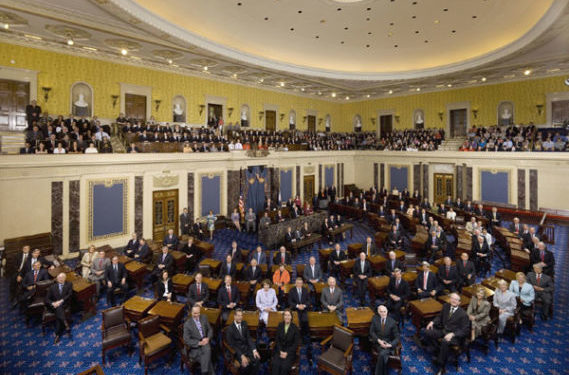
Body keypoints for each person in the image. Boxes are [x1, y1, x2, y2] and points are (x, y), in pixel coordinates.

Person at [424, 293, 469, 375]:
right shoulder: (446, 306)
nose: (453, 300)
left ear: (459, 302)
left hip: (454, 336)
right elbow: (439, 317)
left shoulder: (463, 314)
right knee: (426, 331)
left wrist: (453, 334)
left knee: (445, 341)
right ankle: (437, 350)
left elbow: (465, 330)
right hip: (443, 330)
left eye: (456, 299)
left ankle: (441, 367)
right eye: (452, 298)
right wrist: (432, 322)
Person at [225, 309, 261, 375]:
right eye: (238, 316)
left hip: (247, 349)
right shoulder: (230, 329)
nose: (240, 317)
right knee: (245, 366)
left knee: (257, 359)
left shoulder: (244, 323)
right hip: (237, 352)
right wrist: (241, 356)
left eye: (241, 315)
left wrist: (254, 350)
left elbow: (248, 338)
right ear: (234, 316)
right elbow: (232, 345)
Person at [183, 305, 215, 375]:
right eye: (195, 313)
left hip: (205, 341)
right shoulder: (187, 324)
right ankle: (206, 372)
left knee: (207, 349)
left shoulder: (204, 317)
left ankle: (204, 372)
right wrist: (199, 343)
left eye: (198, 313)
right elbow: (186, 340)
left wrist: (208, 338)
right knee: (208, 352)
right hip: (195, 347)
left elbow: (210, 329)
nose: (197, 315)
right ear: (191, 312)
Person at [370, 305, 400, 375]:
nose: (383, 313)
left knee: (382, 354)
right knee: (383, 355)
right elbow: (372, 332)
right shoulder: (374, 319)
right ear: (378, 312)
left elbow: (397, 337)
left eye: (385, 311)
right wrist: (379, 341)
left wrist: (390, 345)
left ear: (387, 312)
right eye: (381, 312)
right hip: (378, 343)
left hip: (388, 344)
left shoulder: (392, 322)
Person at [271, 309, 301, 375]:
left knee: (284, 367)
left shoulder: (295, 328)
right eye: (285, 315)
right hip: (279, 351)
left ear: (291, 317)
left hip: (289, 353)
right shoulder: (280, 325)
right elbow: (277, 340)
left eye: (288, 315)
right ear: (283, 316)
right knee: (275, 365)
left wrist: (287, 353)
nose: (287, 317)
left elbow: (295, 344)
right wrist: (280, 351)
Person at [45, 273, 72, 344]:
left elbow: (69, 295)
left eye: (61, 278)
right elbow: (47, 299)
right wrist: (53, 303)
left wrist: (60, 301)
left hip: (64, 304)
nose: (60, 279)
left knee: (58, 313)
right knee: (58, 309)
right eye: (58, 278)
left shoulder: (69, 284)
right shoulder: (52, 287)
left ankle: (57, 335)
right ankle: (65, 323)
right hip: (54, 305)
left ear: (65, 278)